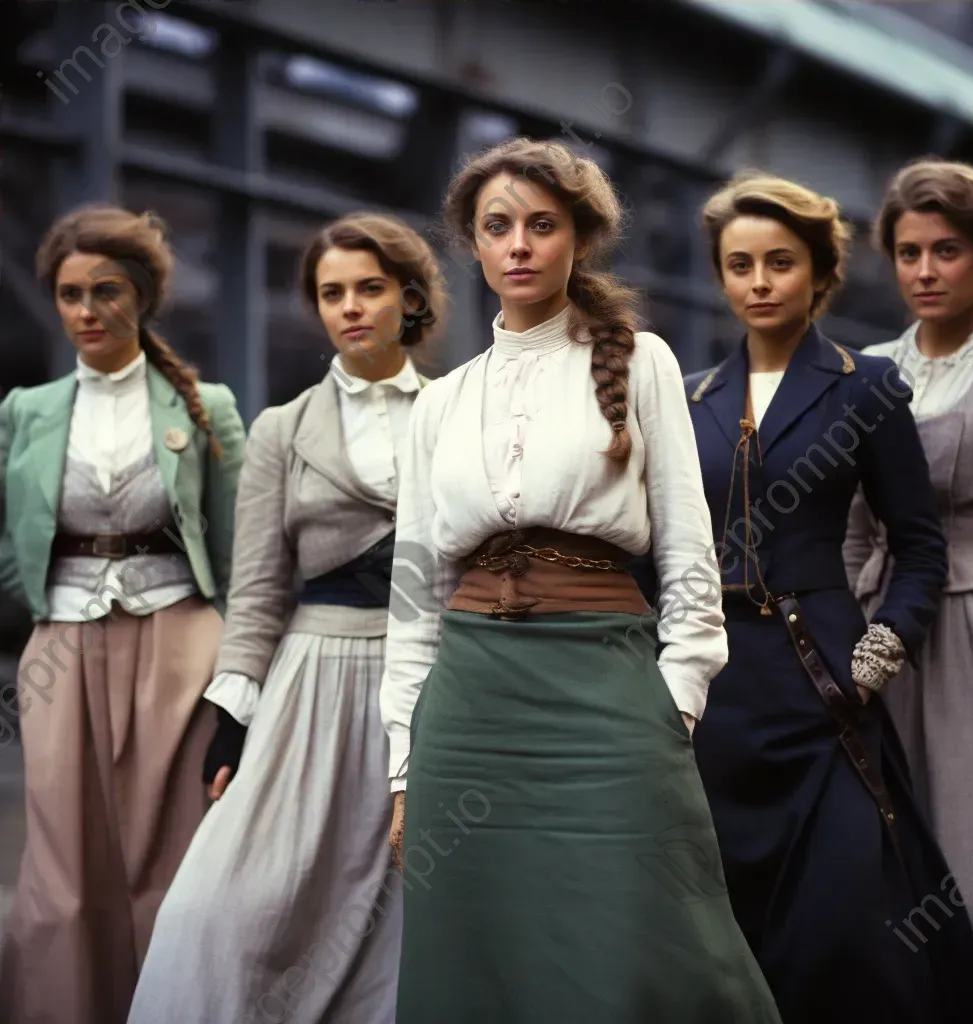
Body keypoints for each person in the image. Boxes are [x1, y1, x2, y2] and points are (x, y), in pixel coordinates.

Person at [380, 137, 781, 1024]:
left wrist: (675, 698)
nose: (519, 244)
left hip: (608, 689)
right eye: (497, 227)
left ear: (579, 239)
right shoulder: (439, 402)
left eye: (541, 225)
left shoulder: (644, 363)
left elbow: (688, 554)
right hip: (471, 710)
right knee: (479, 951)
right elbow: (413, 600)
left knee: (655, 938)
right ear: (474, 247)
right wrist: (404, 766)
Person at [684, 172, 973, 1024]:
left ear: (820, 272)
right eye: (739, 265)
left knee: (849, 923)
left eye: (779, 263)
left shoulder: (867, 388)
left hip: (824, 680)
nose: (758, 282)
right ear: (719, 276)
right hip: (716, 696)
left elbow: (919, 547)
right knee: (731, 918)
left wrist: (874, 659)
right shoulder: (689, 400)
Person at [127, 213, 444, 1024]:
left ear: (409, 299)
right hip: (312, 683)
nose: (351, 307)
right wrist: (232, 721)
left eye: (370, 288)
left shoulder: (458, 412)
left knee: (411, 906)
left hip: (434, 684)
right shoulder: (283, 429)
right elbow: (260, 589)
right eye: (332, 293)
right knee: (225, 902)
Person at [0, 204, 245, 1024]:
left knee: (169, 860)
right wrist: (36, 602)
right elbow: (10, 538)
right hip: (61, 643)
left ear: (141, 296)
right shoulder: (25, 411)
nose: (86, 312)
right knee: (62, 869)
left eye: (107, 291)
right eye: (70, 294)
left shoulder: (206, 404)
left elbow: (243, 554)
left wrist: (241, 688)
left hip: (178, 640)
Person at [844, 159, 973, 1023]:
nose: (923, 270)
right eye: (908, 252)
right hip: (872, 625)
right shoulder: (866, 370)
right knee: (873, 853)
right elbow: (844, 523)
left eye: (946, 251)